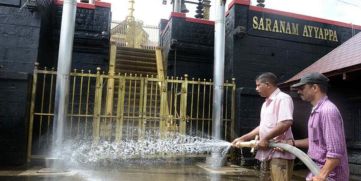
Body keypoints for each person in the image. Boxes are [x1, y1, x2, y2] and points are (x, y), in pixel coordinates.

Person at [232, 72, 295, 181]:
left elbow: (285, 123)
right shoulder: (266, 103)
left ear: (268, 84)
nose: (256, 89)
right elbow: (262, 127)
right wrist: (243, 138)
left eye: (258, 85)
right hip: (266, 151)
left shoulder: (283, 98)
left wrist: (265, 139)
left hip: (279, 153)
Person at [290, 72, 349, 181]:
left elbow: (335, 152)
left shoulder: (327, 111)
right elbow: (316, 141)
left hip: (330, 176)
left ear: (315, 87)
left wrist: (322, 175)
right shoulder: (317, 110)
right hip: (317, 170)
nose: (299, 91)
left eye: (302, 88)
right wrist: (292, 143)